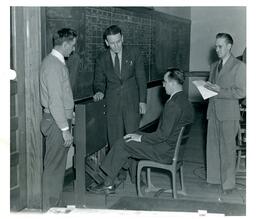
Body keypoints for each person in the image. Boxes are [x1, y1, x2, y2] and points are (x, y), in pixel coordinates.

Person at [89, 68, 194, 193]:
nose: (163, 84)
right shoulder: (185, 102)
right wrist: (138, 135)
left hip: (164, 152)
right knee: (131, 137)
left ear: (172, 83)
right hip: (173, 149)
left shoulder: (173, 105)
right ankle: (116, 173)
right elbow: (166, 133)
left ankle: (108, 182)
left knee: (123, 144)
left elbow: (162, 135)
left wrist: (140, 138)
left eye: (165, 82)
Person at [93, 25, 147, 182]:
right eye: (111, 43)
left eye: (118, 42)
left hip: (132, 101)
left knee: (133, 138)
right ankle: (117, 174)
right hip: (113, 104)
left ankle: (136, 175)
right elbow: (98, 81)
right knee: (115, 139)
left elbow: (141, 79)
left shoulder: (134, 53)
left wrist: (142, 100)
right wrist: (99, 91)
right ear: (106, 42)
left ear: (122, 38)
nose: (116, 46)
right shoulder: (101, 59)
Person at [40, 28, 77, 211]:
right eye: (73, 45)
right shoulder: (53, 65)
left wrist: (70, 114)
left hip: (59, 119)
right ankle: (50, 206)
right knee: (54, 165)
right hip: (56, 122)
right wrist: (64, 129)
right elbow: (55, 102)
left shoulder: (56, 63)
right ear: (65, 44)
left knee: (58, 164)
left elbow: (62, 96)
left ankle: (56, 202)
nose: (74, 50)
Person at [204, 33, 246, 194]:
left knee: (228, 149)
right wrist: (206, 87)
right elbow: (213, 87)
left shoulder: (239, 66)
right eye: (216, 46)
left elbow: (241, 92)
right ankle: (214, 179)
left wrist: (220, 91)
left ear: (229, 46)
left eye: (220, 46)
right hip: (213, 111)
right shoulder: (214, 65)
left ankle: (228, 184)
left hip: (229, 113)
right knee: (213, 148)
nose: (217, 49)